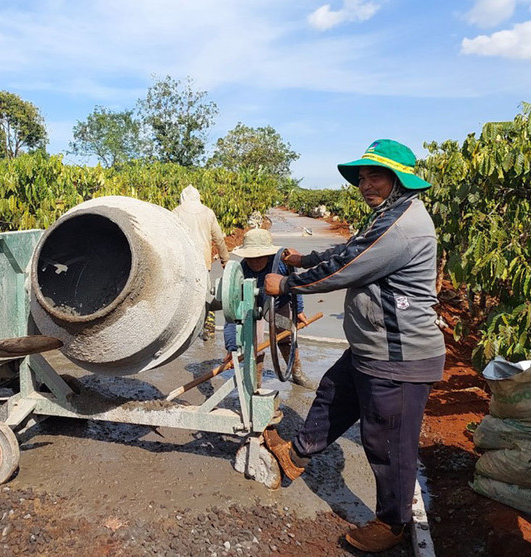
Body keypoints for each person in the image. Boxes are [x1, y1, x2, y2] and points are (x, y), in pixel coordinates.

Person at [262, 139, 444, 553]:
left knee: (388, 444)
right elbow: (349, 250)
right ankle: (296, 455)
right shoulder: (388, 215)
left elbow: (347, 267)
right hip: (372, 346)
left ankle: (392, 523)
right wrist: (302, 259)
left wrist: (286, 283)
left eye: (374, 176)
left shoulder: (403, 225)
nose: (365, 184)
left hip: (398, 356)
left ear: (400, 180)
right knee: (333, 394)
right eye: (362, 178)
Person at [221, 228, 315, 389]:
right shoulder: (241, 271)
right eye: (251, 258)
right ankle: (255, 383)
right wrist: (231, 347)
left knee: (287, 337)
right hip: (253, 307)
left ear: (269, 254)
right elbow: (232, 312)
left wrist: (298, 309)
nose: (255, 262)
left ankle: (296, 372)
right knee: (253, 345)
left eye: (260, 257)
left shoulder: (282, 264)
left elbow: (294, 287)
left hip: (280, 303)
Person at [172, 185, 230, 340]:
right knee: (206, 293)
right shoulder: (208, 212)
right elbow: (218, 238)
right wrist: (225, 259)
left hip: (184, 260)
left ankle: (186, 330)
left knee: (185, 294)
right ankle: (209, 328)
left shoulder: (176, 212)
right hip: (203, 260)